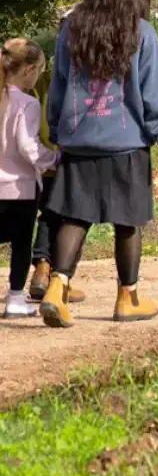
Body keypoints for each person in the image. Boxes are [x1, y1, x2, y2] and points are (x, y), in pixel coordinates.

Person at [40, 0, 158, 329]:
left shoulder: (71, 29)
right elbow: (152, 93)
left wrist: (58, 131)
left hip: (79, 140)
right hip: (126, 143)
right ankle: (127, 298)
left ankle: (57, 287)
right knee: (128, 221)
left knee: (75, 215)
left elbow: (59, 84)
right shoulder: (142, 33)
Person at [0, 40, 59, 317]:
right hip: (19, 187)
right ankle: (14, 298)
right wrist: (54, 160)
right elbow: (28, 146)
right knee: (21, 243)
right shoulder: (28, 103)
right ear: (29, 70)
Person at [26, 54, 85, 306]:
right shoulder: (80, 78)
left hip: (44, 157)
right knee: (74, 218)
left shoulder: (42, 78)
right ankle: (57, 279)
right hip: (70, 155)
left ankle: (42, 270)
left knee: (50, 214)